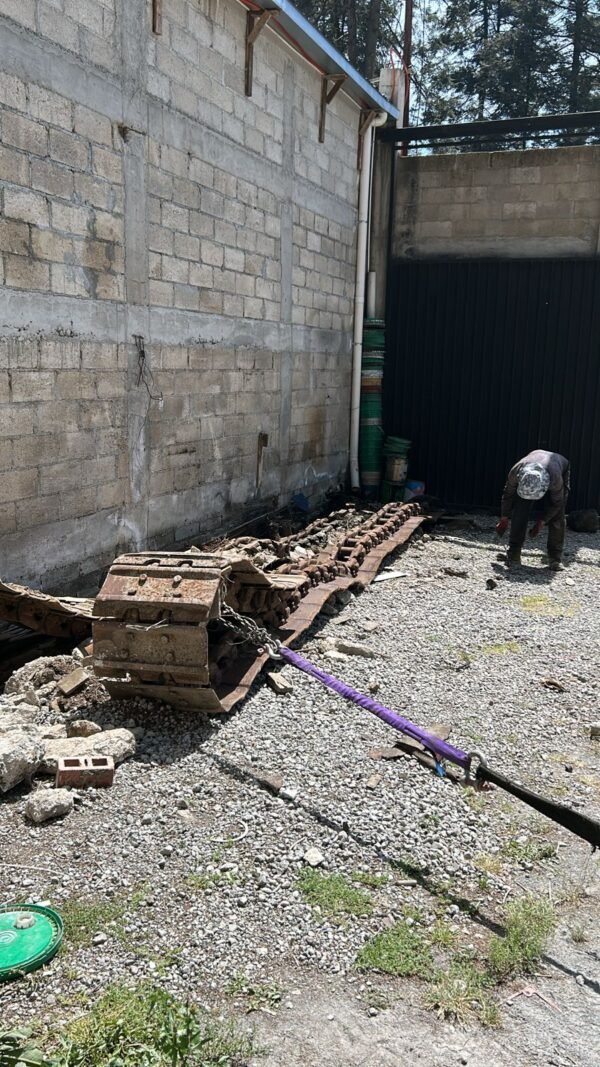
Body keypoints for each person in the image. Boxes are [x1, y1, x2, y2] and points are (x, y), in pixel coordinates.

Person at [495, 449, 570, 570]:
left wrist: (543, 521)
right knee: (520, 511)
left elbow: (557, 503)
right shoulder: (517, 471)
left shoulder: (555, 479)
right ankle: (514, 553)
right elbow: (508, 495)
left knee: (557, 517)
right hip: (535, 462)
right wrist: (504, 517)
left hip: (559, 466)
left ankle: (554, 559)